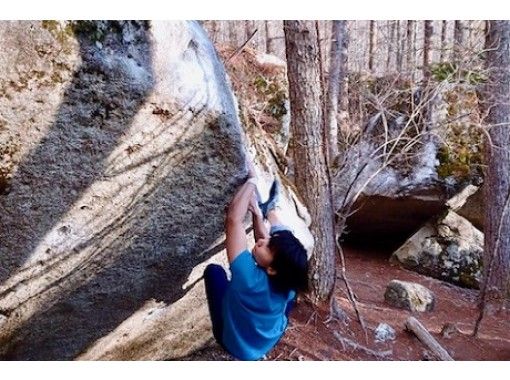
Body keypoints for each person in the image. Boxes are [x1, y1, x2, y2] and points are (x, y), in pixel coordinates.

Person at [203, 163, 309, 361]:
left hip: (232, 343)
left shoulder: (247, 276)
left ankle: (269, 212)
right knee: (289, 295)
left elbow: (233, 219)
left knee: (214, 271)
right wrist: (257, 215)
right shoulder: (287, 282)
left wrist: (252, 179)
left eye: (269, 246)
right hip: (265, 342)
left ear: (271, 270)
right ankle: (266, 211)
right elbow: (267, 247)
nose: (262, 240)